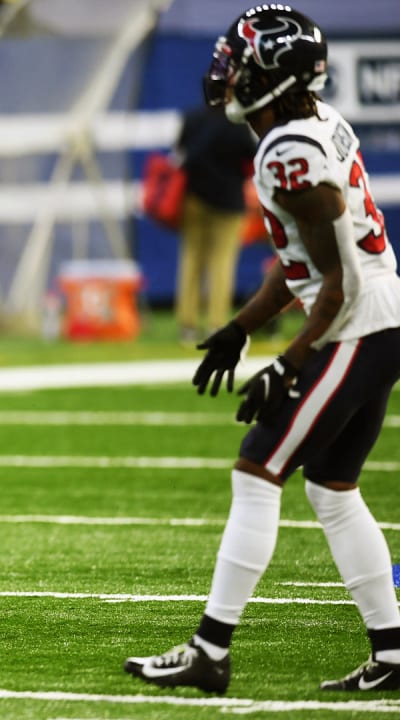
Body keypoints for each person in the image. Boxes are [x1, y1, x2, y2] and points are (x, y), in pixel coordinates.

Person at [124, 5, 400, 694]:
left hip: (357, 321)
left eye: (240, 60)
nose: (227, 69)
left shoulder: (287, 151)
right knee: (333, 489)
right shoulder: (303, 128)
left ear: (272, 75)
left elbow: (336, 281)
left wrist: (291, 360)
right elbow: (305, 259)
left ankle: (210, 650)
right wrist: (243, 327)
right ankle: (394, 654)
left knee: (257, 470)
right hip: (377, 315)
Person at [173, 103, 258, 345]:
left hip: (194, 198)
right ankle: (215, 324)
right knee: (222, 262)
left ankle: (187, 325)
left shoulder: (192, 118)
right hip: (229, 200)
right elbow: (251, 155)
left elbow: (180, 153)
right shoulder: (238, 124)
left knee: (191, 259)